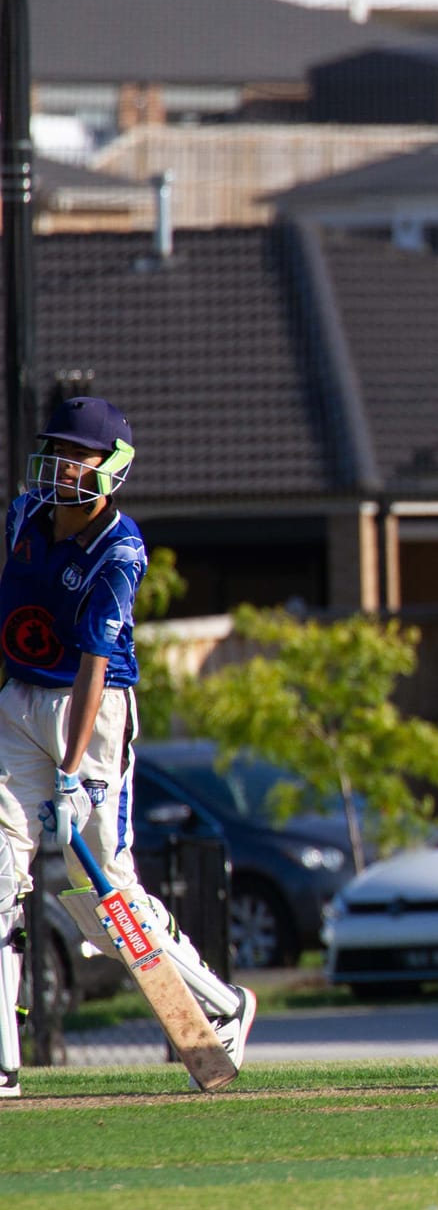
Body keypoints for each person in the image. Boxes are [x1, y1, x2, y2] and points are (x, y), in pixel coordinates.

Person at [0, 398, 254, 1098]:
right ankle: (3, 1059)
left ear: (111, 467)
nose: (61, 465)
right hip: (17, 699)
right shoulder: (25, 514)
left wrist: (73, 773)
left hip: (95, 712)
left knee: (107, 894)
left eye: (76, 453)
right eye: (54, 448)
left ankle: (222, 1004)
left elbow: (93, 666)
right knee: (0, 877)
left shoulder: (120, 550)